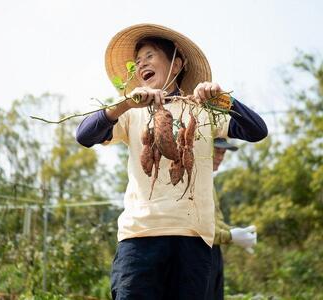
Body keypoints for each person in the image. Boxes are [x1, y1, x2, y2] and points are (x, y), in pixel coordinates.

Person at [76, 24, 268, 299]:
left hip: (193, 240)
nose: (142, 63)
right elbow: (84, 135)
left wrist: (224, 99)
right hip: (139, 238)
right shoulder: (130, 113)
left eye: (150, 56)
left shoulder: (203, 111)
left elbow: (257, 131)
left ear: (176, 64)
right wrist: (125, 104)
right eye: (138, 61)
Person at [207, 138, 257, 300]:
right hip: (198, 250)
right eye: (217, 151)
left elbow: (215, 218)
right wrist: (230, 237)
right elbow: (196, 225)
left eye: (223, 152)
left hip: (214, 251)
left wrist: (235, 232)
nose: (221, 157)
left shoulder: (209, 182)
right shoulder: (191, 180)